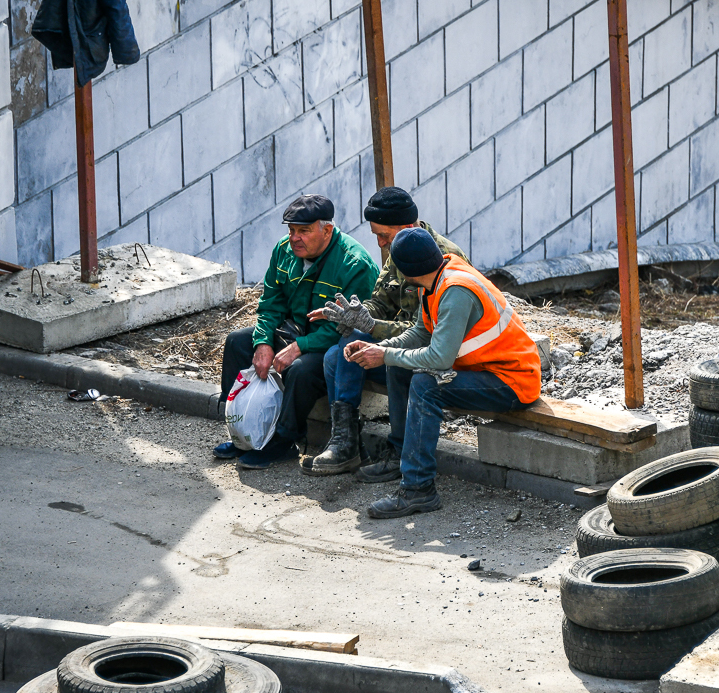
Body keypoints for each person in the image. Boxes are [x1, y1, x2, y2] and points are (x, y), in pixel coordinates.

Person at [342, 228, 542, 518]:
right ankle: (400, 456)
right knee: (399, 368)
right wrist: (381, 348)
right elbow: (420, 334)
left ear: (407, 269)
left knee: (426, 383)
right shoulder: (434, 278)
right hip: (483, 370)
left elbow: (439, 358)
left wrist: (384, 353)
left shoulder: (455, 290)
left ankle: (418, 489)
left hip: (512, 381)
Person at [302, 187, 469, 476]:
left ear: (406, 228)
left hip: (441, 359)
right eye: (377, 235)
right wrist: (356, 314)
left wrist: (371, 329)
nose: (380, 244)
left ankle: (388, 450)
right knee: (335, 356)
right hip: (410, 345)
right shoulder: (398, 248)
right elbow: (380, 302)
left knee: (373, 356)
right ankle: (346, 442)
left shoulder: (439, 258)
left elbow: (428, 332)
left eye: (384, 236)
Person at [214, 195, 379, 470]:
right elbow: (270, 304)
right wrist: (263, 342)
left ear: (326, 230)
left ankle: (283, 441)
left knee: (302, 369)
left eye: (304, 231)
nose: (294, 238)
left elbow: (348, 326)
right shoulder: (283, 250)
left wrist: (301, 345)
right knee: (237, 342)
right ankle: (242, 433)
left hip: (330, 342)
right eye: (291, 231)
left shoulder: (354, 264)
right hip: (292, 331)